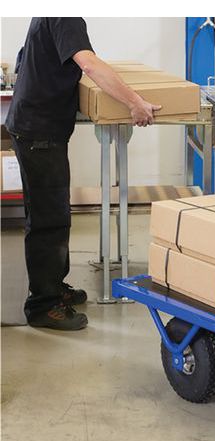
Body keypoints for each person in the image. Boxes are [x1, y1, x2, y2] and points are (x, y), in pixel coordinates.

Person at [6, 18, 161, 331]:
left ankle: (54, 286)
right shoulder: (66, 14)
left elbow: (28, 58)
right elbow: (88, 64)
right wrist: (134, 102)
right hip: (39, 132)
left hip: (37, 127)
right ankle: (43, 305)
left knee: (54, 213)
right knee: (49, 219)